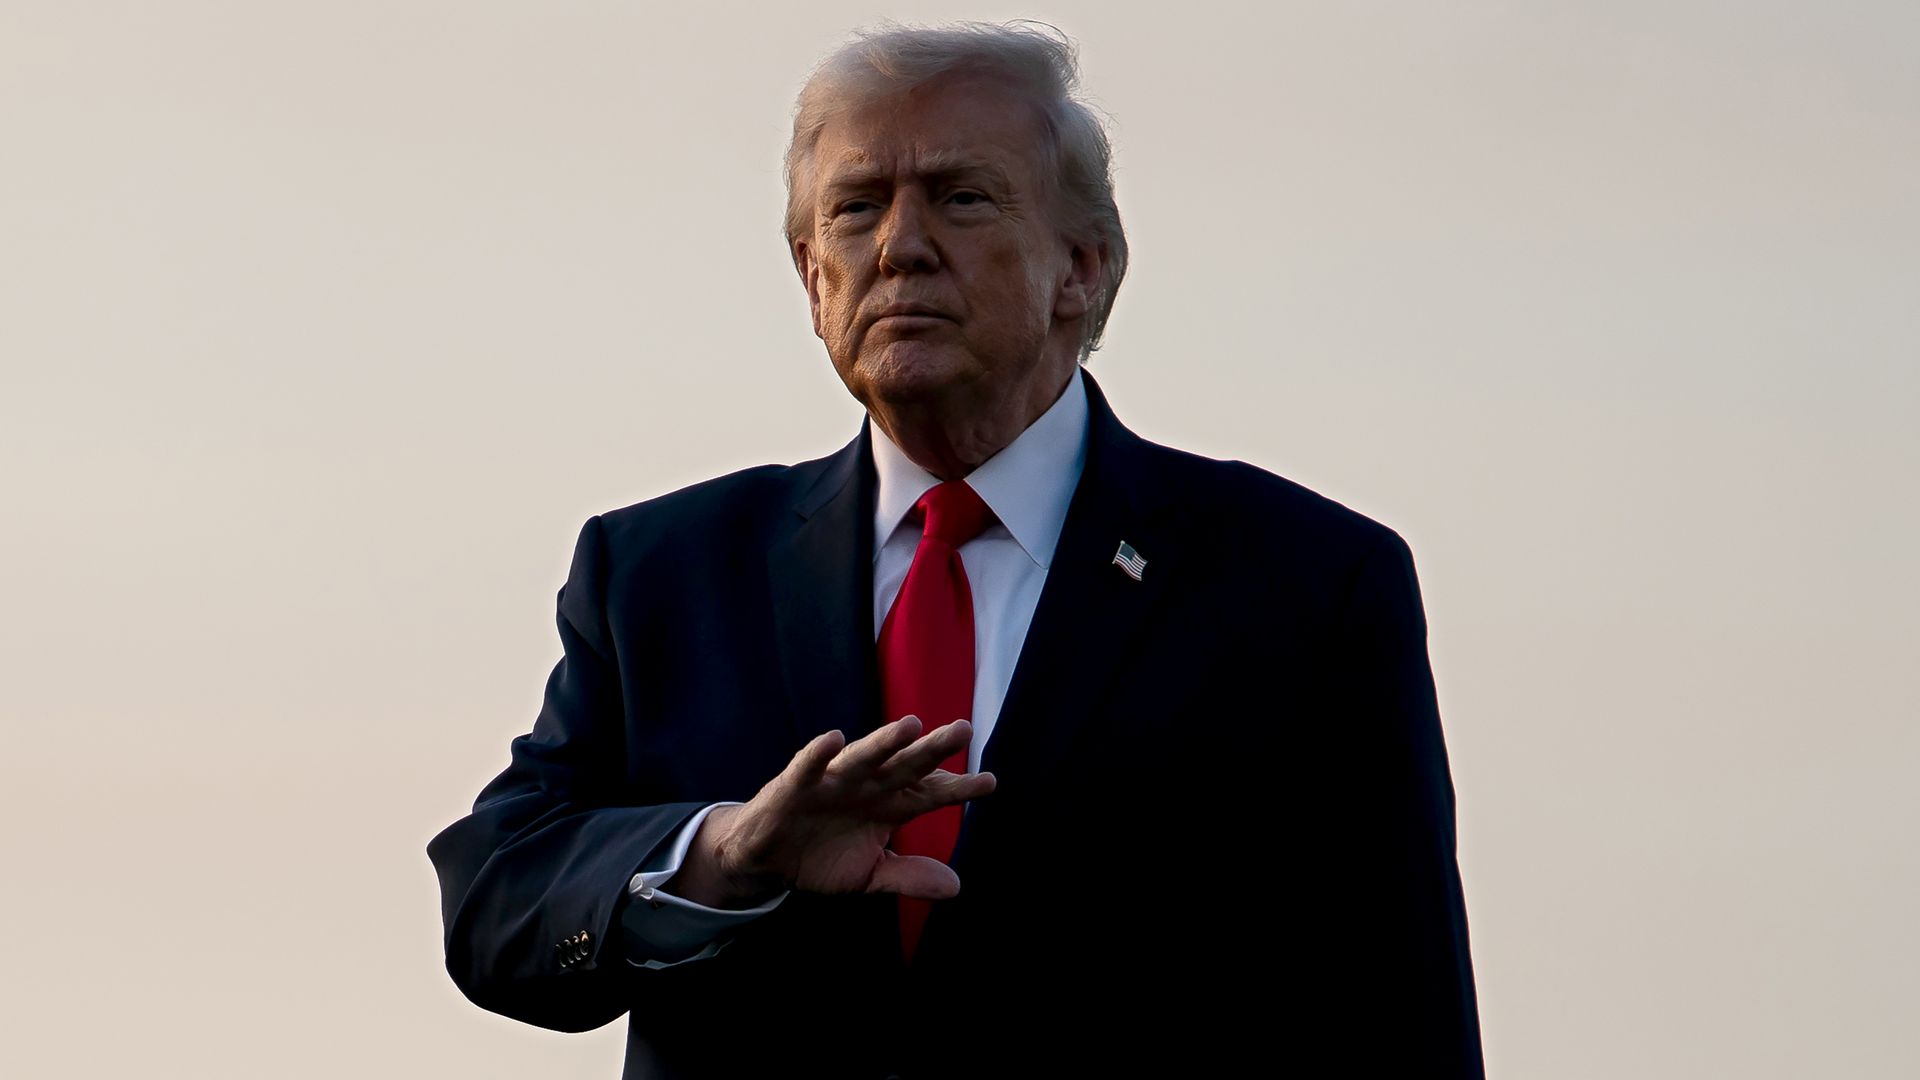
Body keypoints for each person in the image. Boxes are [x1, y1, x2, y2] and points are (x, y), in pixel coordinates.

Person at [427, 21, 1484, 1080]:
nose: (900, 245)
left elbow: (1402, 1015)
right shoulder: (659, 573)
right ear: (811, 277)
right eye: (855, 208)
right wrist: (729, 854)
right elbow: (497, 906)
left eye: (961, 197)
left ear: (1083, 264)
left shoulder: (1303, 585)